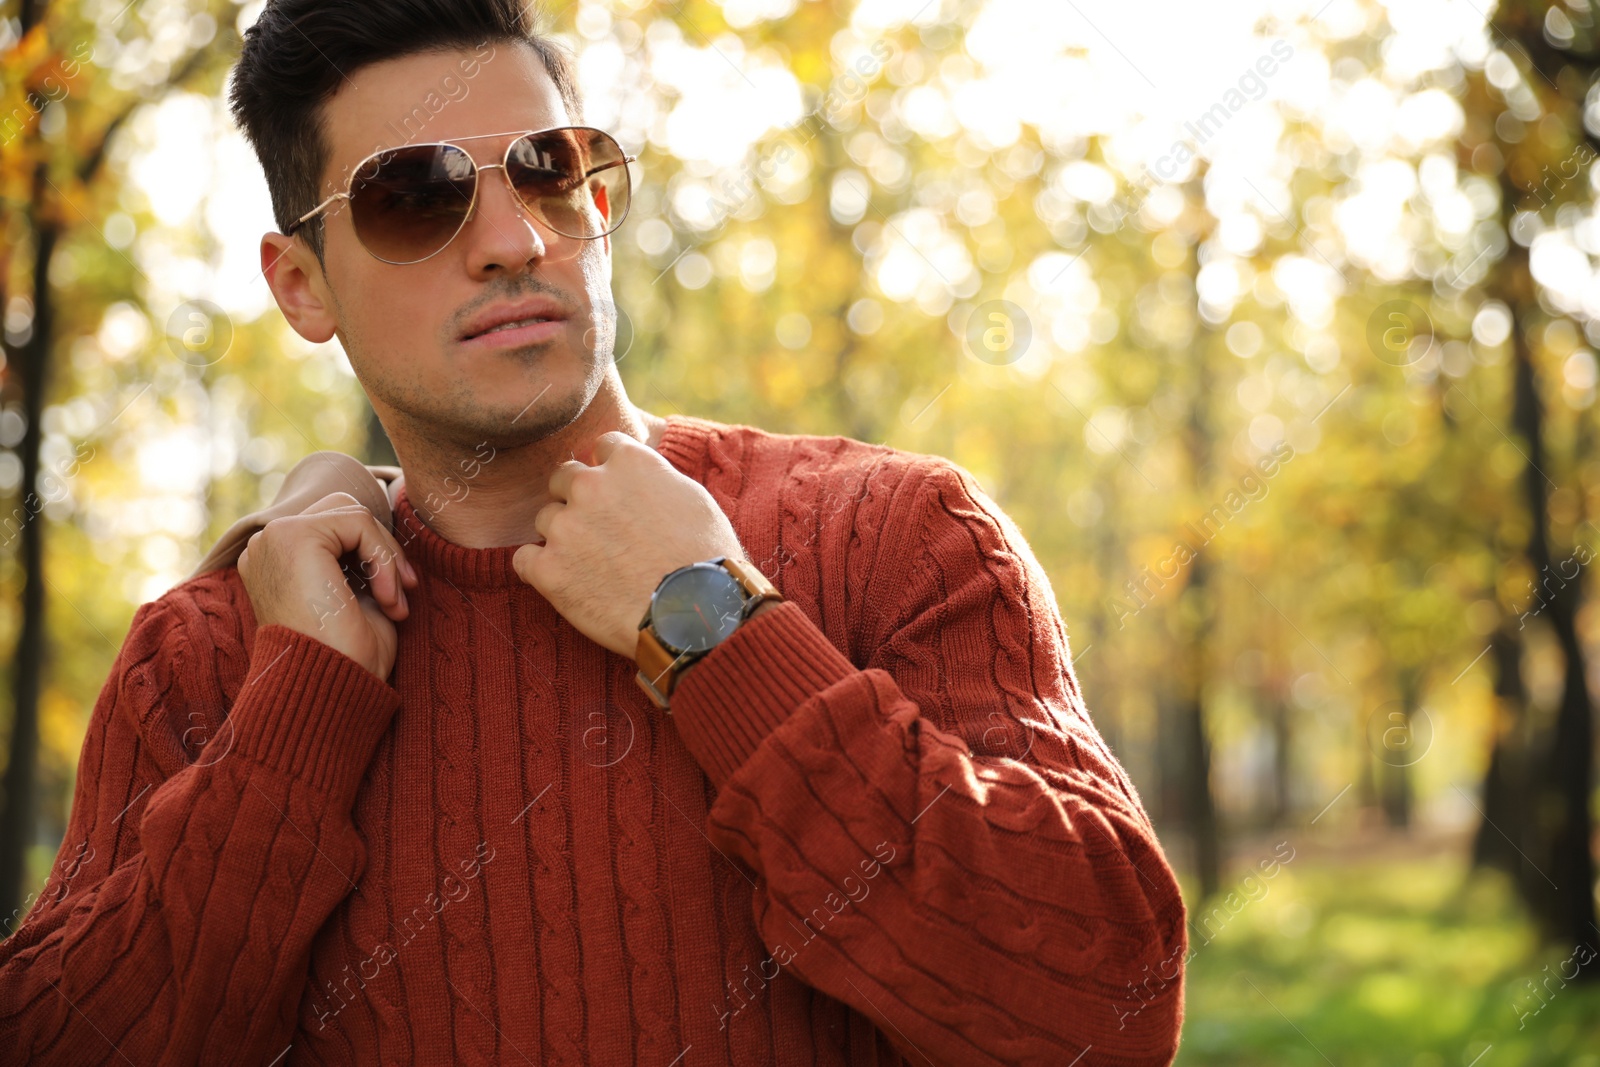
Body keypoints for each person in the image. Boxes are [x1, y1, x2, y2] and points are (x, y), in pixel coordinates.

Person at [0, 1, 1188, 1062]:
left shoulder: (890, 536)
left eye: (549, 170)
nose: (515, 238)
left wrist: (714, 624)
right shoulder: (220, 652)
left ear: (602, 203)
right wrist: (298, 707)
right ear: (300, 284)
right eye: (412, 196)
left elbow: (1110, 1003)